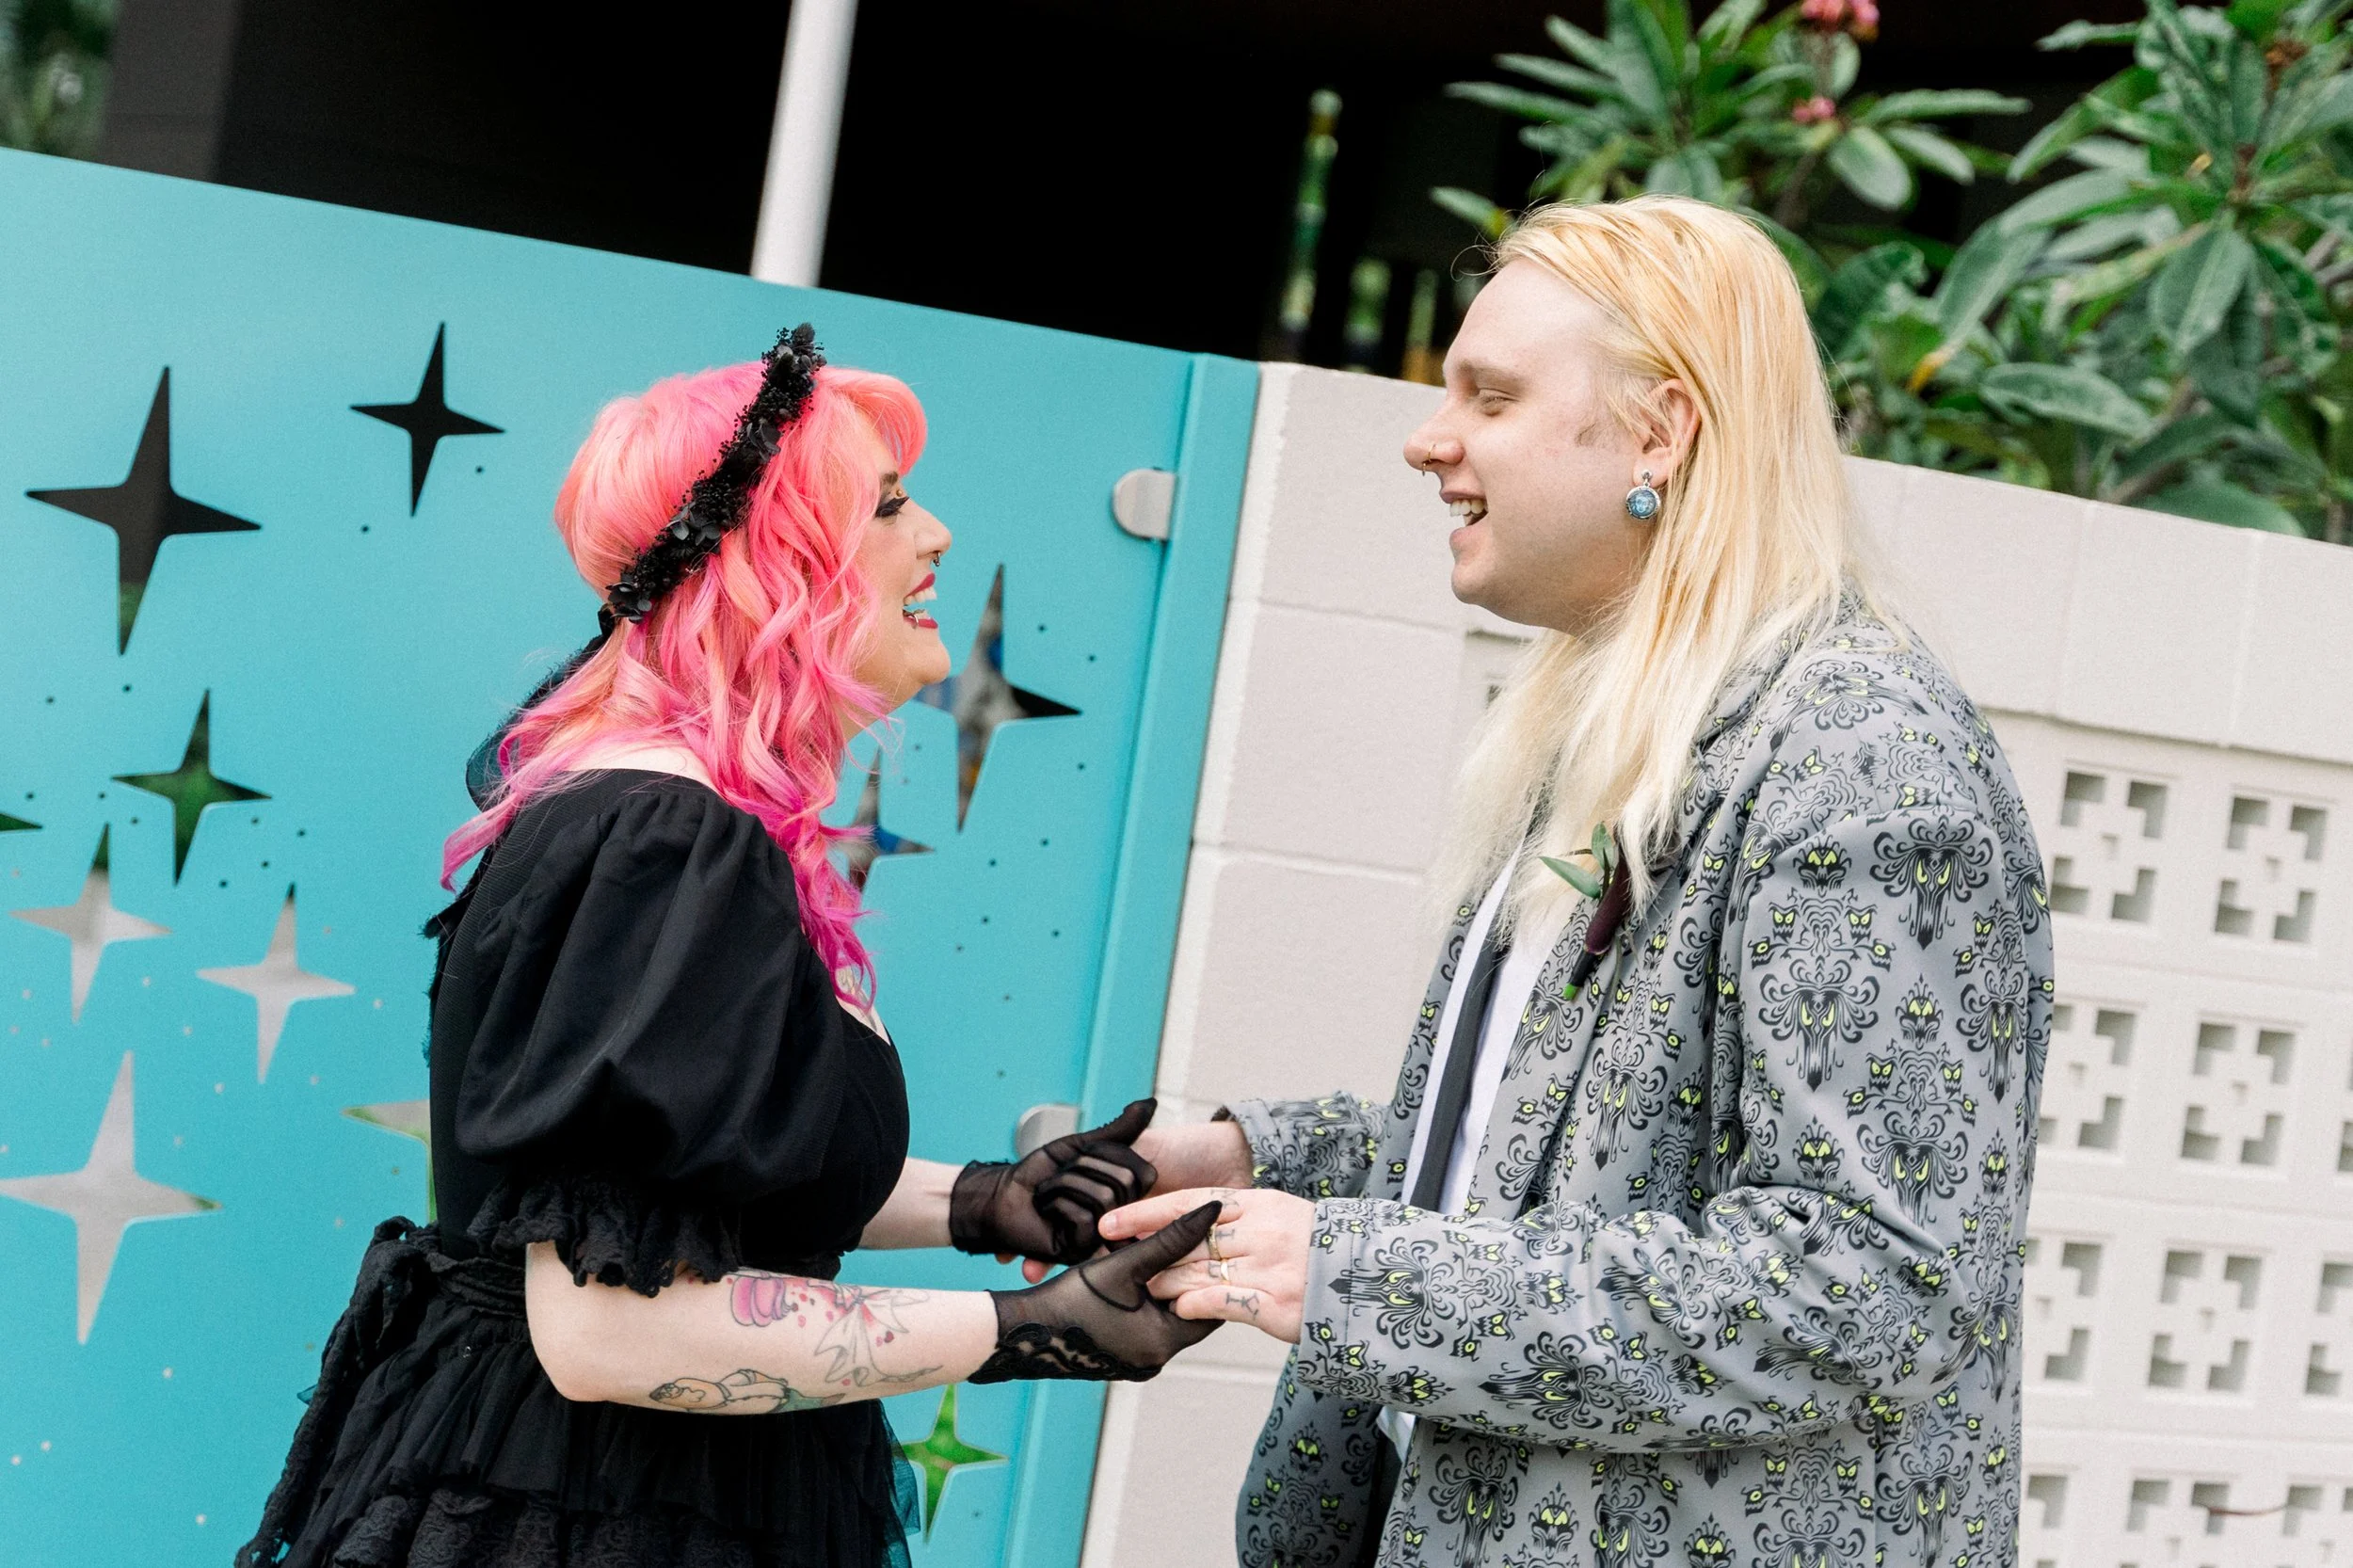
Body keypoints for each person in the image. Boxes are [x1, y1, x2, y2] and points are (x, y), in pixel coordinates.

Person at [1106, 198, 2051, 1568]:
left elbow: (1866, 1282)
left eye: (1490, 397)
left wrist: (1356, 1273)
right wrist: (1263, 1164)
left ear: (1660, 433)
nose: (1430, 440)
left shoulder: (1863, 761)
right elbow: (1563, 1161)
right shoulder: (1618, 725)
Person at [237, 326, 1222, 1568]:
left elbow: (693, 1186)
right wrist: (1027, 1329)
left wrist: (985, 1201)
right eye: (888, 504)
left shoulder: (663, 817)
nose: (936, 535)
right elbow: (610, 1332)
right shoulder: (669, 840)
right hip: (590, 1520)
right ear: (779, 561)